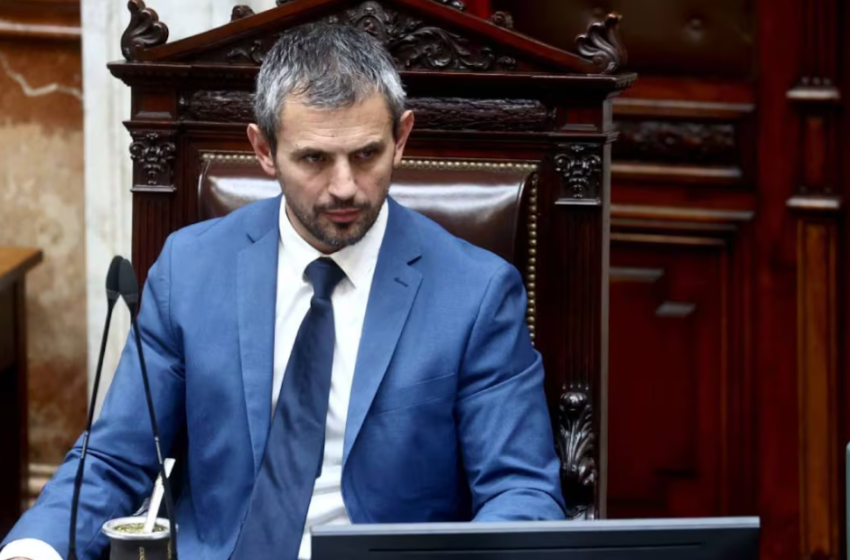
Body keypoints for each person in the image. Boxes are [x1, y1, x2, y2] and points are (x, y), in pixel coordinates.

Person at [0, 22, 565, 560]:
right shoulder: (190, 270)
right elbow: (115, 457)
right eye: (314, 159)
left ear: (401, 138)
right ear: (264, 150)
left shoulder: (476, 294)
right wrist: (35, 549)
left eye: (366, 154)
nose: (344, 187)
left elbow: (521, 493)